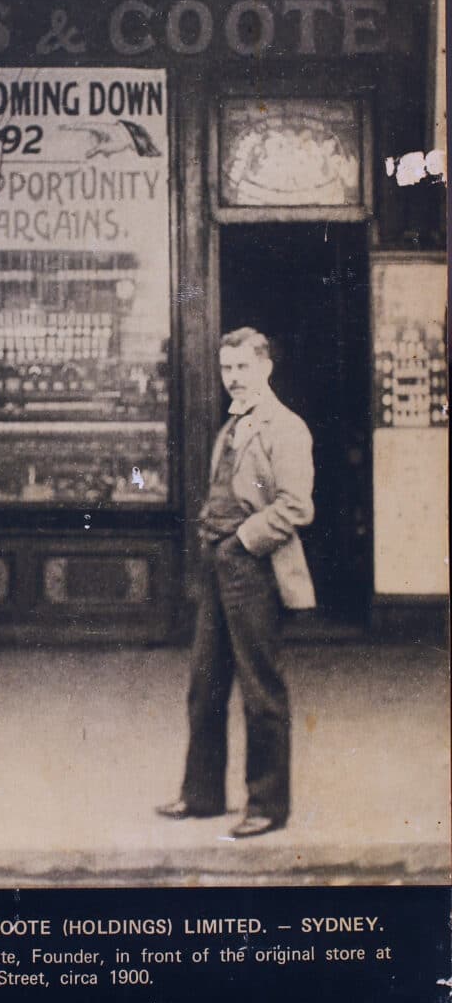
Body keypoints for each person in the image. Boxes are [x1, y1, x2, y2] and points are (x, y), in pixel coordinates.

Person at [157, 327, 315, 838]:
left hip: (254, 569)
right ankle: (202, 795)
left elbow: (295, 506)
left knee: (259, 690)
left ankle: (268, 805)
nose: (234, 379)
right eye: (227, 369)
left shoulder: (285, 427)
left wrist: (241, 541)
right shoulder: (231, 427)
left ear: (266, 367)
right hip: (219, 566)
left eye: (243, 368)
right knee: (204, 686)